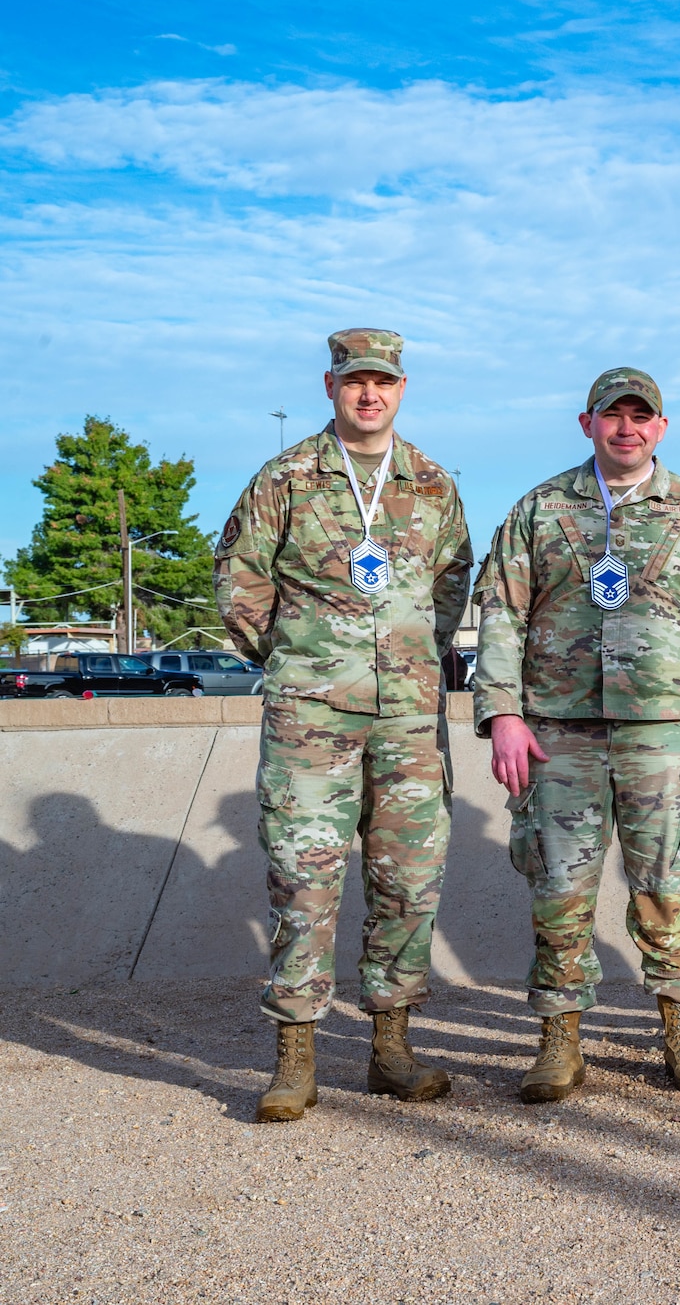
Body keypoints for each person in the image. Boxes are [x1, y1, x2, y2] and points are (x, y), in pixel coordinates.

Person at [475, 367, 680, 1101]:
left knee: (669, 886)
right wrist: (502, 711)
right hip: (558, 733)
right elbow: (501, 614)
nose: (626, 427)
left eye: (641, 416)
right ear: (587, 423)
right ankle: (559, 1039)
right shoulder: (539, 511)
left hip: (665, 734)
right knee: (558, 890)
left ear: (661, 428)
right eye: (613, 415)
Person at [215, 328, 472, 1123]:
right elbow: (238, 581)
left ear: (402, 388)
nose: (370, 394)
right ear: (331, 385)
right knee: (304, 880)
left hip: (407, 720)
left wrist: (410, 662)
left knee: (407, 882)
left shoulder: (431, 482)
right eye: (355, 381)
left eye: (383, 382)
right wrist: (300, 659)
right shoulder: (286, 477)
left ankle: (390, 1047)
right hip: (311, 718)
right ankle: (296, 1055)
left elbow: (453, 580)